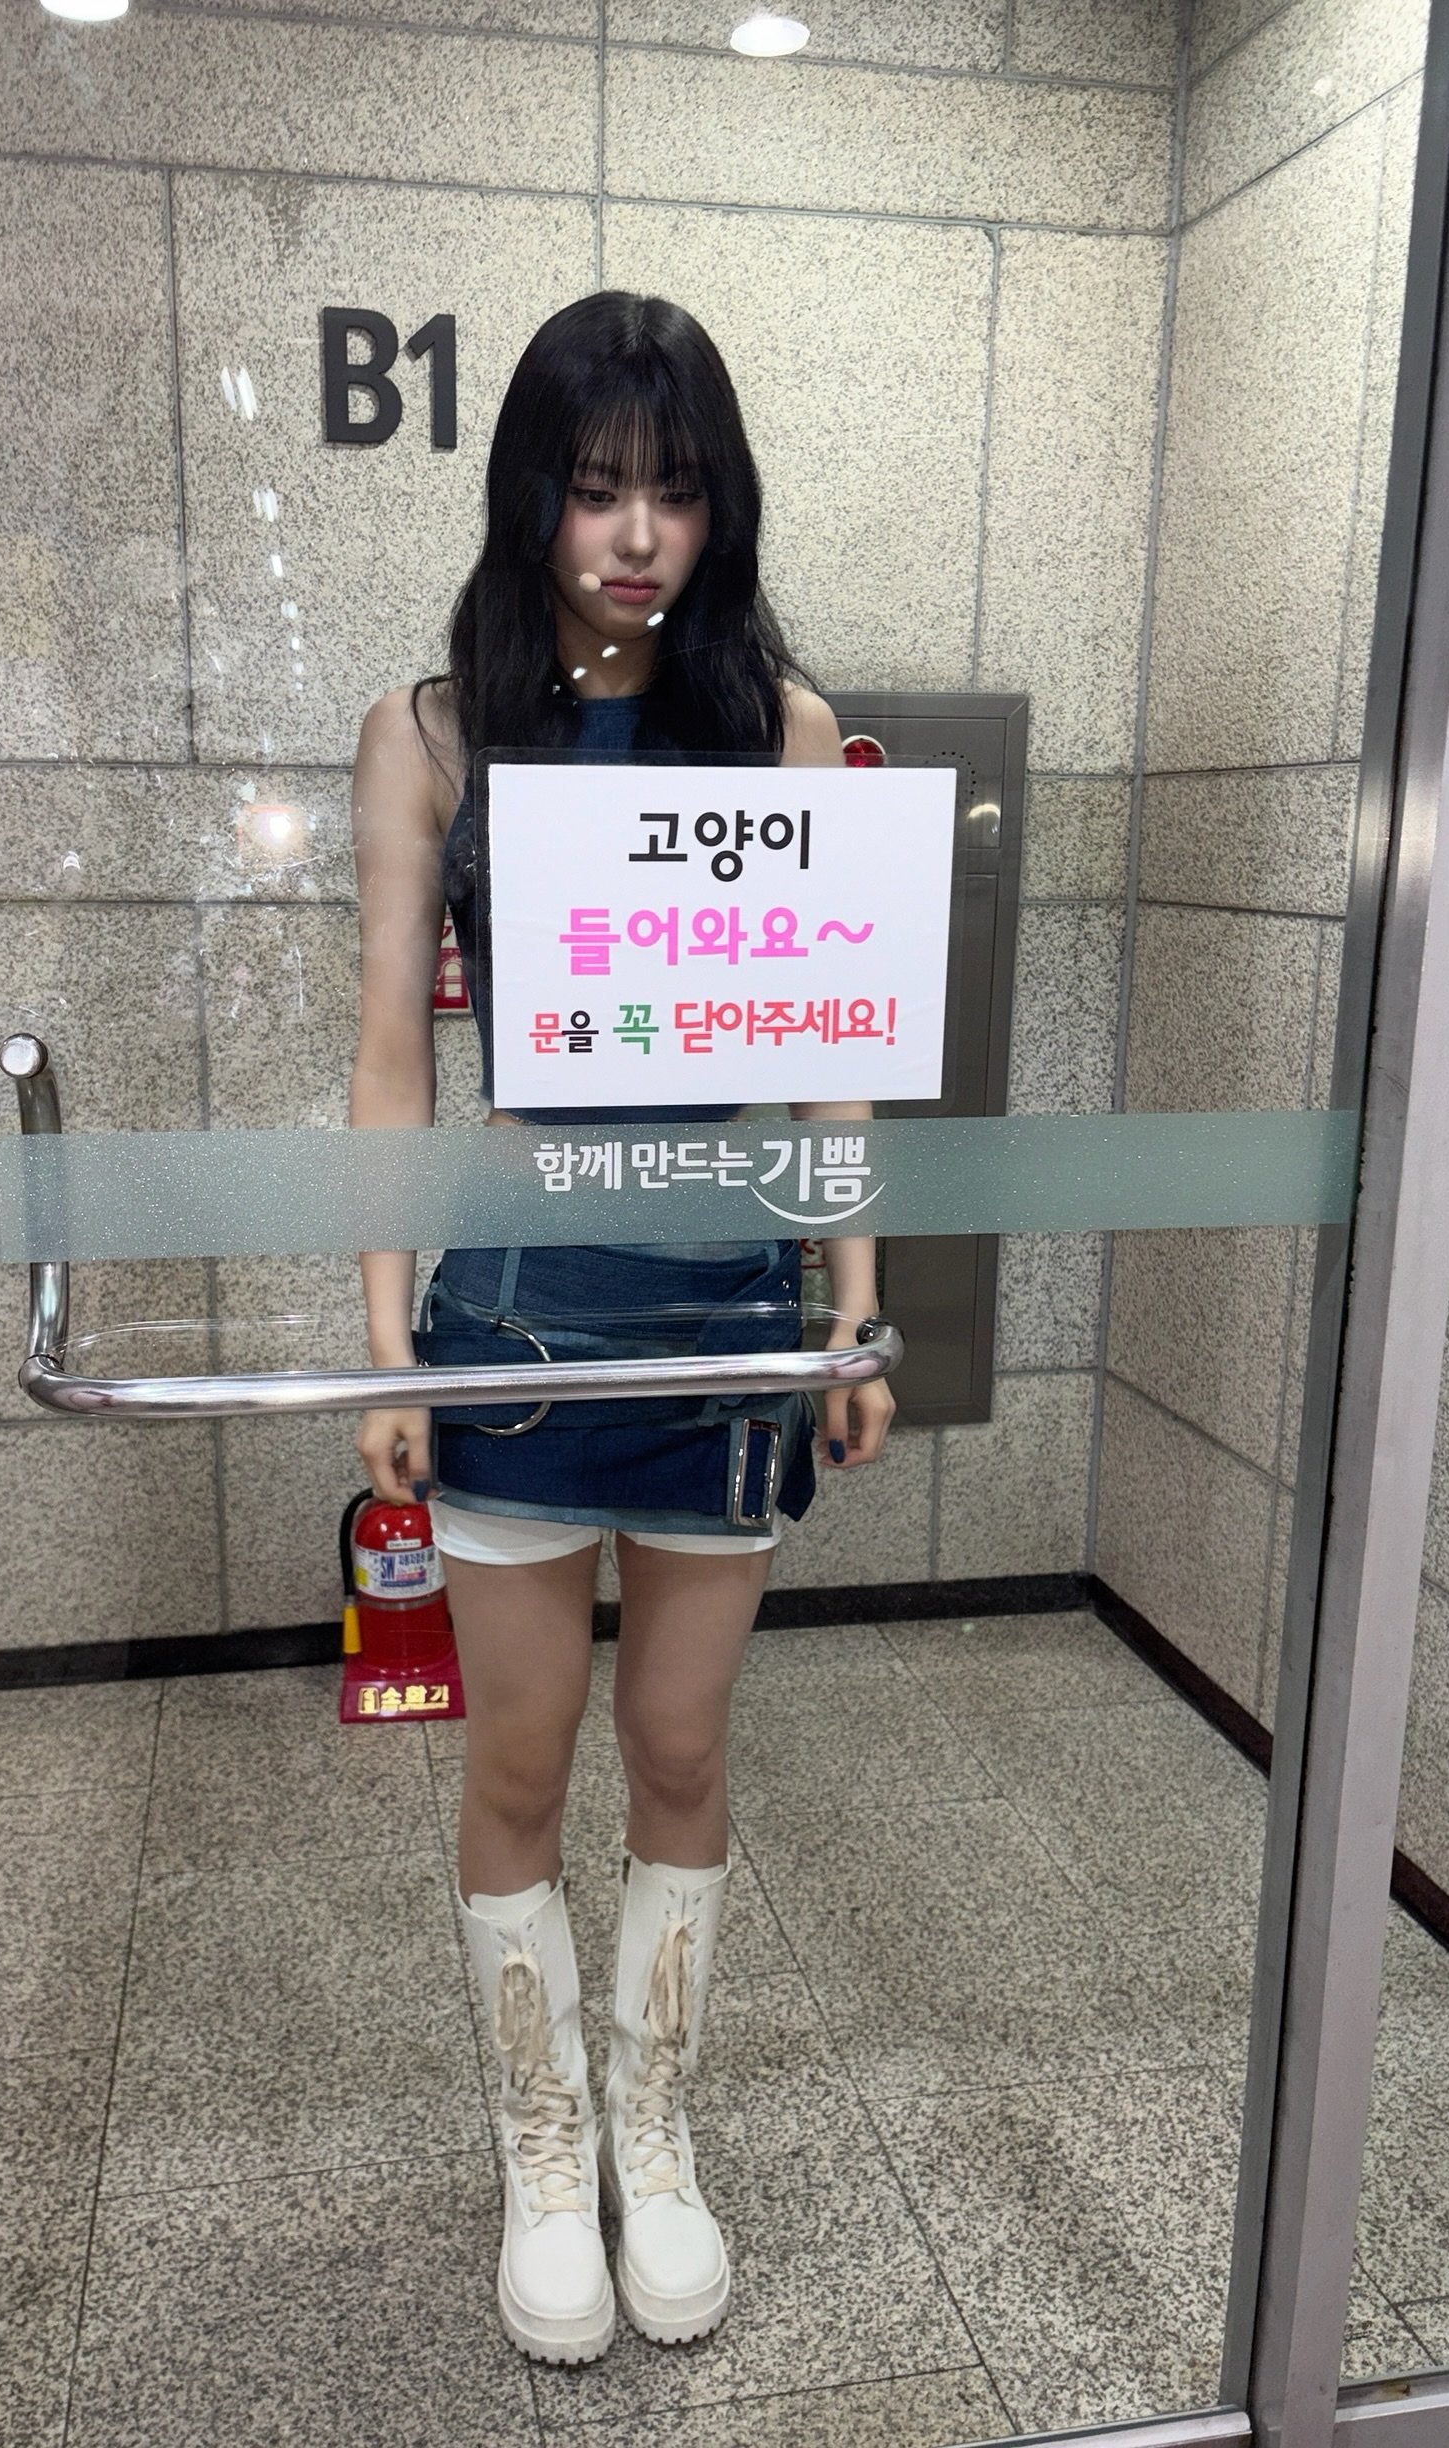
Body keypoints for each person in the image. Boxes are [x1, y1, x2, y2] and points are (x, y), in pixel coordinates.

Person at [348, 292, 894, 2366]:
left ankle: (652, 2136)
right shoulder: (435, 734)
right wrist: (385, 1348)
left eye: (674, 492)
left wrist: (853, 1308)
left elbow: (829, 1050)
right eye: (597, 491)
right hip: (512, 1312)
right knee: (520, 1747)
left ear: (718, 506)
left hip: (729, 1305)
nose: (638, 535)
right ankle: (542, 2142)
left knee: (679, 1741)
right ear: (535, 499)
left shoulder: (779, 731)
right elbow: (390, 1055)